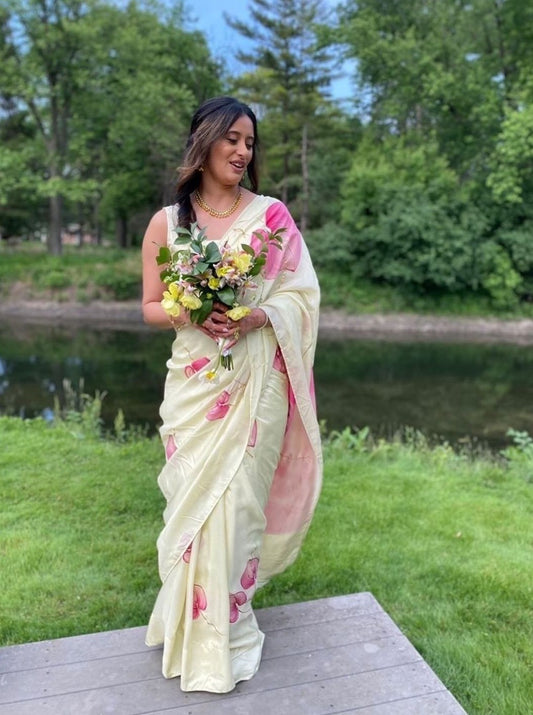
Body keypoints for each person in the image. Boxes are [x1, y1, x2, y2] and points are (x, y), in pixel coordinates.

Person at [142, 96, 322, 693]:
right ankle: (190, 627)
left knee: (240, 506)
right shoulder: (169, 224)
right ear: (204, 141)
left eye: (251, 142)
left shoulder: (271, 217)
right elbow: (148, 305)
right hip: (195, 386)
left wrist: (252, 318)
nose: (244, 151)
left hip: (255, 385)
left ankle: (226, 631)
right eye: (233, 140)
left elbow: (301, 294)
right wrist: (191, 312)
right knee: (191, 507)